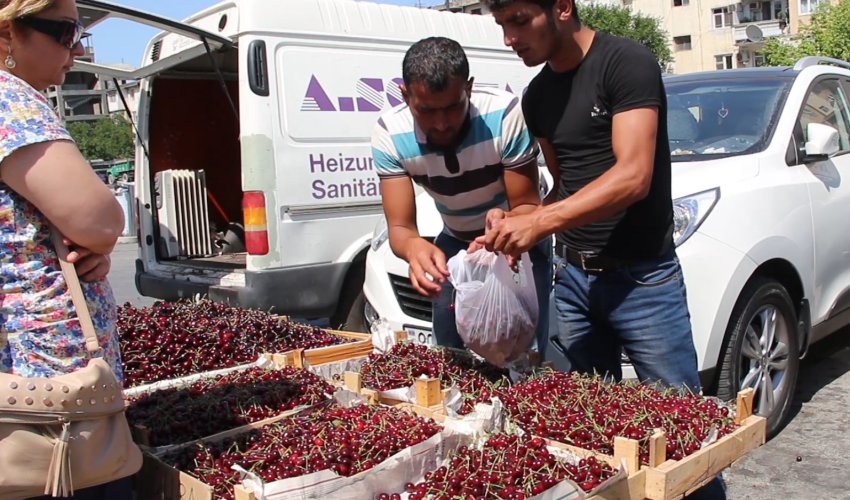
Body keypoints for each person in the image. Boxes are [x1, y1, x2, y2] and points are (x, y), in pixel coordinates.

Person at [479, 1, 726, 497]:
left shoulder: (626, 62)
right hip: (572, 284)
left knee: (684, 435)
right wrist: (516, 221)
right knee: (585, 434)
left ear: (562, 9)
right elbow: (566, 187)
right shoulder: (538, 95)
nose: (509, 38)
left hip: (643, 283)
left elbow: (633, 176)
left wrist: (542, 221)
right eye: (502, 25)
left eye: (519, 21)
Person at [0, 0, 132, 498]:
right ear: (9, 31)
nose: (76, 50)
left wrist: (80, 249)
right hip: (50, 393)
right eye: (64, 32)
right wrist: (94, 236)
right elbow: (100, 218)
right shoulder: (11, 104)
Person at [371, 36, 554, 360]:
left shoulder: (503, 113)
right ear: (405, 95)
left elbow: (527, 206)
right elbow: (400, 228)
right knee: (449, 350)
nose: (441, 124)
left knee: (518, 348)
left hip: (516, 237)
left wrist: (507, 225)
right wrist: (414, 249)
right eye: (426, 111)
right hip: (455, 239)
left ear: (468, 88)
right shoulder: (389, 134)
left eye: (453, 107)